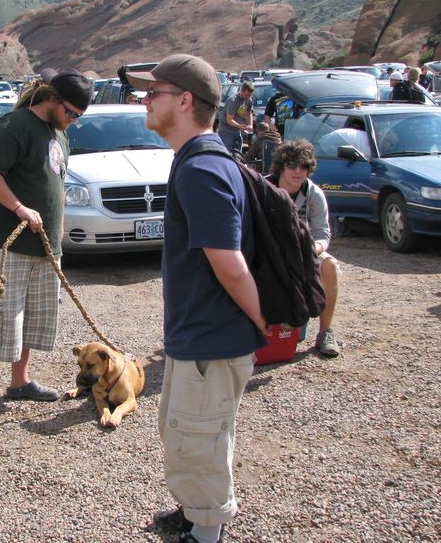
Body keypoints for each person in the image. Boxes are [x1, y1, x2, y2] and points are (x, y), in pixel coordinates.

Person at [126, 54, 269, 543]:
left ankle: (206, 532)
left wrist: (262, 322)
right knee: (186, 430)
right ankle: (195, 513)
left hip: (213, 339)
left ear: (185, 101)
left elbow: (229, 265)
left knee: (199, 441)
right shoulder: (199, 160)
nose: (145, 100)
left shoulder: (201, 169)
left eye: (154, 92)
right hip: (199, 337)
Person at [0, 67, 91, 419]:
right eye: (70, 113)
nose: (73, 121)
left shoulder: (59, 133)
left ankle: (20, 382)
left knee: (33, 317)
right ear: (52, 99)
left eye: (78, 116)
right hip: (9, 244)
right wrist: (19, 208)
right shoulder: (15, 125)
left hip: (45, 247)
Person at [268, 140, 340, 358]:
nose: (298, 171)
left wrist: (308, 251)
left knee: (330, 265)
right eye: (292, 165)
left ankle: (325, 332)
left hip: (304, 253)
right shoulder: (263, 189)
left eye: (304, 166)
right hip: (268, 253)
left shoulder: (314, 194)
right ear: (281, 166)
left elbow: (322, 234)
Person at [218, 81, 254, 154]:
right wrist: (240, 126)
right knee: (228, 153)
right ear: (242, 91)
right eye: (246, 95)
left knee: (238, 153)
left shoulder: (248, 100)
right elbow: (229, 120)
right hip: (226, 131)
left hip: (237, 130)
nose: (248, 97)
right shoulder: (233, 101)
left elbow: (248, 113)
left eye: (250, 95)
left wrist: (250, 125)